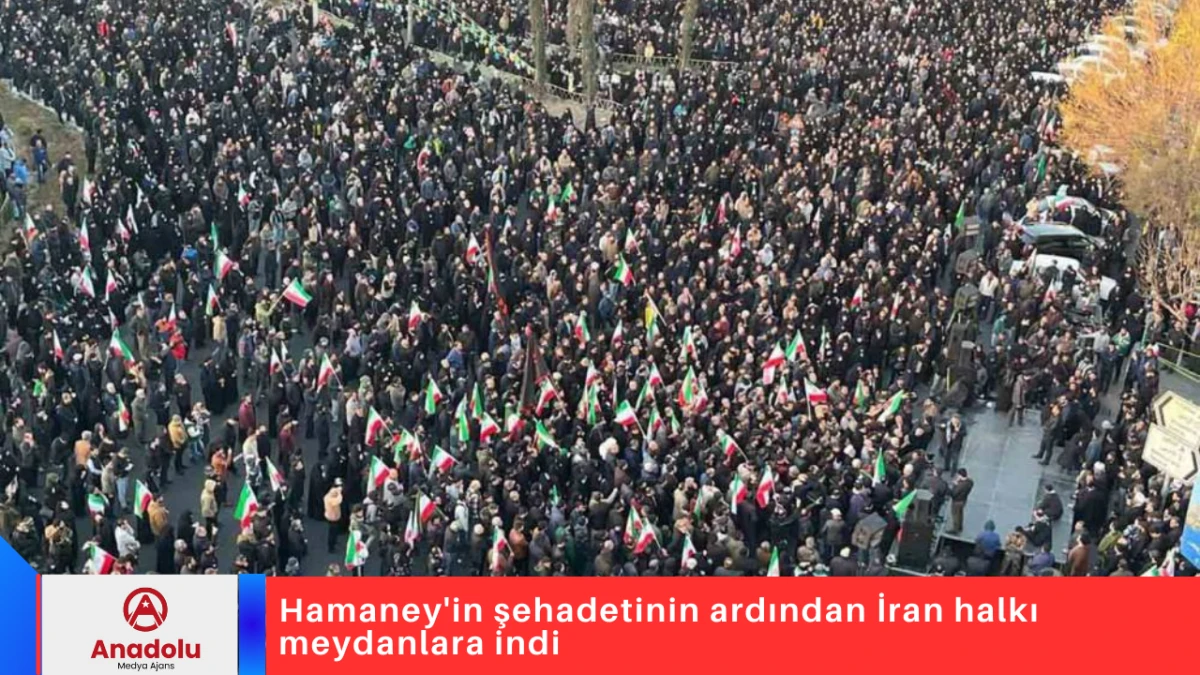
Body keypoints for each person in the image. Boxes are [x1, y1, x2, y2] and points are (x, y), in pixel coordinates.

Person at [947, 469, 974, 535]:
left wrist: (955, 485)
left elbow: (953, 493)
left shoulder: (961, 485)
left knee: (955, 515)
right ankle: (960, 527)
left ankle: (955, 529)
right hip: (963, 500)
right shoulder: (970, 482)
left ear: (960, 475)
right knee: (960, 514)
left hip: (957, 502)